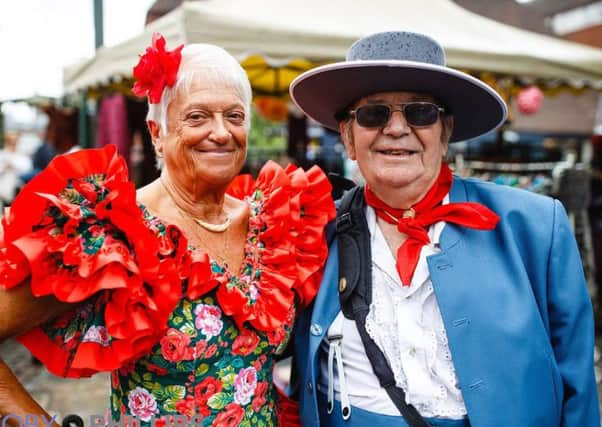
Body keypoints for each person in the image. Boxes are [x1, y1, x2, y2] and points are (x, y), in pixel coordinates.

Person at [0, 33, 335, 426]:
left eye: (234, 116)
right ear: (157, 132)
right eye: (197, 117)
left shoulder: (270, 222)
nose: (222, 132)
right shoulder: (115, 234)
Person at [288, 31, 599, 427]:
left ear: (445, 132)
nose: (397, 128)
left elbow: (578, 392)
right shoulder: (312, 232)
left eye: (420, 112)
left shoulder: (536, 228)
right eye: (373, 114)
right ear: (348, 137)